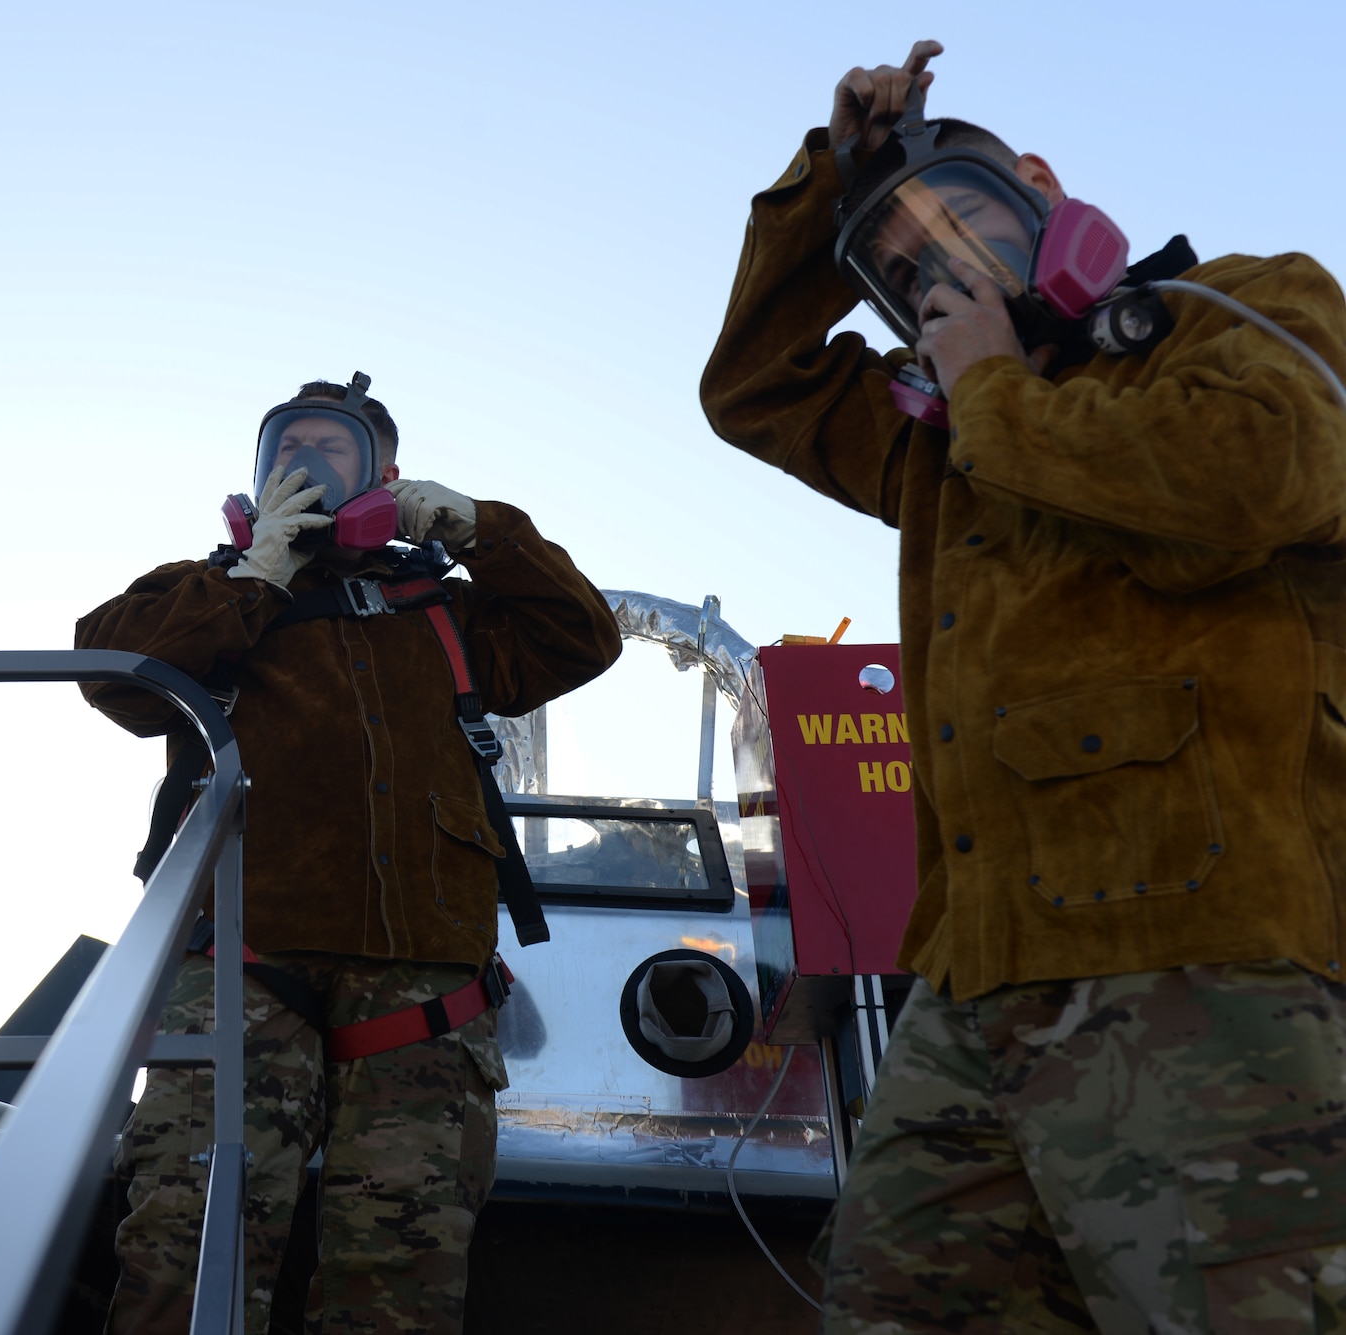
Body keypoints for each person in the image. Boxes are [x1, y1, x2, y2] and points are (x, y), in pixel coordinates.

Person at [699, 39, 1346, 1334]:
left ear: (1045, 188)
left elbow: (1271, 474)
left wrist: (994, 387)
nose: (936, 267)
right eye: (901, 269)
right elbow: (757, 389)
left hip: (1199, 961)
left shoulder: (1230, 308)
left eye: (960, 221)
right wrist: (830, 177)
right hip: (971, 980)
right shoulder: (935, 444)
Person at [75, 375, 621, 1334]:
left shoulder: (444, 611)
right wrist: (253, 579)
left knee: (400, 1282)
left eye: (335, 450)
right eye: (290, 448)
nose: (308, 464)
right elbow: (111, 676)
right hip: (247, 956)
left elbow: (581, 636)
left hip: (422, 976)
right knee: (184, 1245)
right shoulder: (208, 594)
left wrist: (483, 530)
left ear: (388, 477)